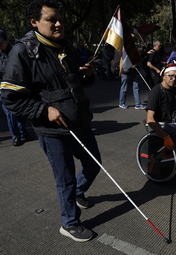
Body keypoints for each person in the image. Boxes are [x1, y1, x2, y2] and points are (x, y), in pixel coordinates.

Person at [1, 0, 101, 242]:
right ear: (34, 22)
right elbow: (9, 97)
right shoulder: (22, 51)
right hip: (53, 130)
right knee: (64, 178)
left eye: (60, 19)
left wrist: (85, 75)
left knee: (94, 163)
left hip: (79, 121)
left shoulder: (65, 44)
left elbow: (74, 81)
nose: (59, 24)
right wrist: (44, 110)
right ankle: (69, 222)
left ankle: (79, 192)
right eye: (52, 20)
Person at [0, 29, 34, 146]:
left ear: (7, 40)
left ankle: (23, 132)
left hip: (20, 87)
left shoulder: (17, 50)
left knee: (21, 112)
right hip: (4, 90)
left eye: (0, 42)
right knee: (10, 114)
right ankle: (16, 136)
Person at [146, 63, 176, 150]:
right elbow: (149, 120)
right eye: (171, 76)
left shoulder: (174, 90)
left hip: (174, 126)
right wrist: (166, 137)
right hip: (163, 129)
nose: (174, 79)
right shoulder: (156, 92)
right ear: (163, 76)